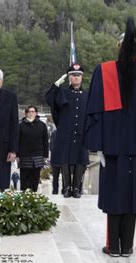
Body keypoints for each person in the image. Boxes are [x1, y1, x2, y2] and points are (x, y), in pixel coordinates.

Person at [85, 17, 136, 257]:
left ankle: (113, 246)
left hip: (112, 146)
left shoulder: (105, 71)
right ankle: (127, 246)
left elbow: (94, 111)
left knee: (114, 195)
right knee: (132, 195)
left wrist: (97, 146)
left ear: (119, 47)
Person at [45, 64, 89, 198]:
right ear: (69, 77)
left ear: (82, 77)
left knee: (80, 160)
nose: (76, 77)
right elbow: (49, 99)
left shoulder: (87, 94)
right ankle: (66, 187)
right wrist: (56, 84)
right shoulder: (63, 92)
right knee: (65, 160)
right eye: (73, 75)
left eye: (78, 75)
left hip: (81, 132)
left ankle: (76, 188)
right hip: (66, 131)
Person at [18, 106, 49, 192]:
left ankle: (34, 196)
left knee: (35, 179)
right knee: (24, 178)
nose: (31, 113)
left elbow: (45, 141)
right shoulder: (21, 125)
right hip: (24, 156)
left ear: (36, 113)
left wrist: (46, 155)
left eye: (33, 111)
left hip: (38, 155)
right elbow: (17, 140)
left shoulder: (42, 125)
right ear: (26, 113)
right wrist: (17, 154)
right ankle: (23, 197)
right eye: (29, 111)